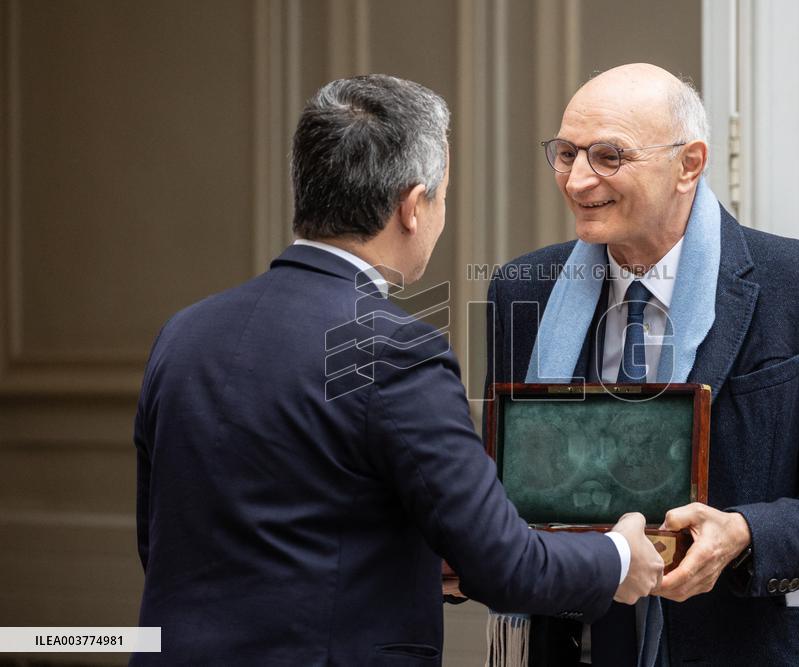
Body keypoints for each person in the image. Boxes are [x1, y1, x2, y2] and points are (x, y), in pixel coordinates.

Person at [131, 74, 667, 666]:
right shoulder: (394, 348)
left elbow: (160, 542)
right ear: (413, 207)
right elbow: (506, 565)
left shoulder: (184, 332)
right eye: (440, 197)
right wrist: (619, 555)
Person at [484, 63, 799, 666]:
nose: (577, 179)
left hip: (749, 645)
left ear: (689, 164)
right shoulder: (522, 291)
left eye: (608, 155)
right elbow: (505, 483)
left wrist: (746, 535)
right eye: (566, 152)